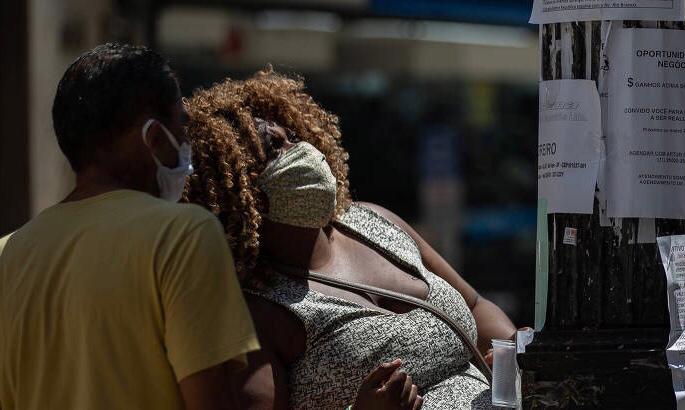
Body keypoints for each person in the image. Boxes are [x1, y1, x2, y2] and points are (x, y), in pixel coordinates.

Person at [182, 68, 518, 409]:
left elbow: (474, 306)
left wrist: (518, 351)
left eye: (293, 137)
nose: (302, 150)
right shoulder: (259, 311)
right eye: (274, 148)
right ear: (238, 188)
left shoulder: (374, 220)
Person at [0, 43, 260, 410]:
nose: (186, 143)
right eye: (181, 126)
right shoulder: (184, 236)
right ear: (153, 137)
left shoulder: (7, 255)